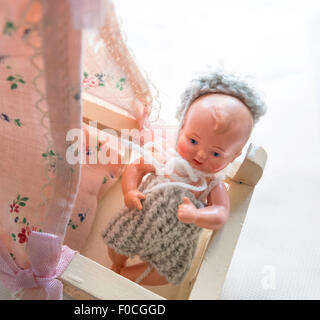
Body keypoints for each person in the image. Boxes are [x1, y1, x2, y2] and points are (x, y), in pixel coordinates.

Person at [102, 71, 266, 285]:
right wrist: (130, 191)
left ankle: (126, 277)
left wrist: (197, 215)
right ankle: (118, 263)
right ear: (181, 128)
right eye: (192, 141)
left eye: (215, 153)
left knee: (165, 274)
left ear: (235, 155)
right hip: (139, 220)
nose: (200, 155)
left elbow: (221, 213)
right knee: (116, 243)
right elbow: (137, 167)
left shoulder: (211, 184)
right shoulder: (167, 161)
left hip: (174, 242)